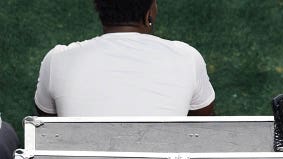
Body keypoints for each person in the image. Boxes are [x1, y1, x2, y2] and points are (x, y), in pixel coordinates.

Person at [34, 0, 215, 117]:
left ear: (101, 13)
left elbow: (47, 129)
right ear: (149, 14)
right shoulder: (187, 58)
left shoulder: (57, 59)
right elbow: (202, 131)